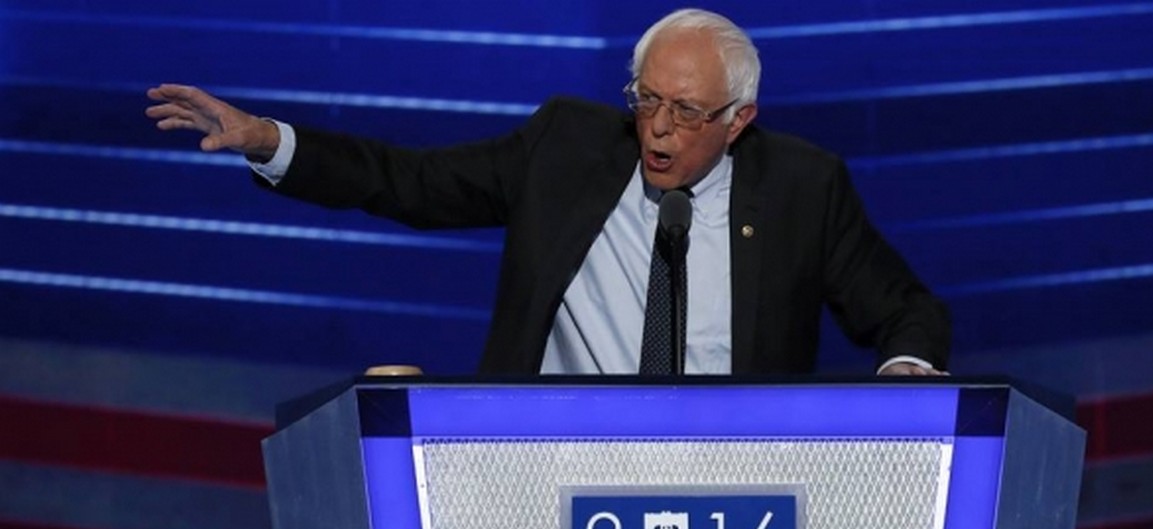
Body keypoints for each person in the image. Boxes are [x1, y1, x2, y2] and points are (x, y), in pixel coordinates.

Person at [146, 8, 949, 376]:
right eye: (646, 100)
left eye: (687, 113)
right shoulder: (566, 149)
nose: (658, 129)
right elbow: (411, 182)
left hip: (737, 485)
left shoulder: (802, 186)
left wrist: (908, 365)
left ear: (739, 120)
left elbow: (906, 309)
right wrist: (269, 140)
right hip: (555, 467)